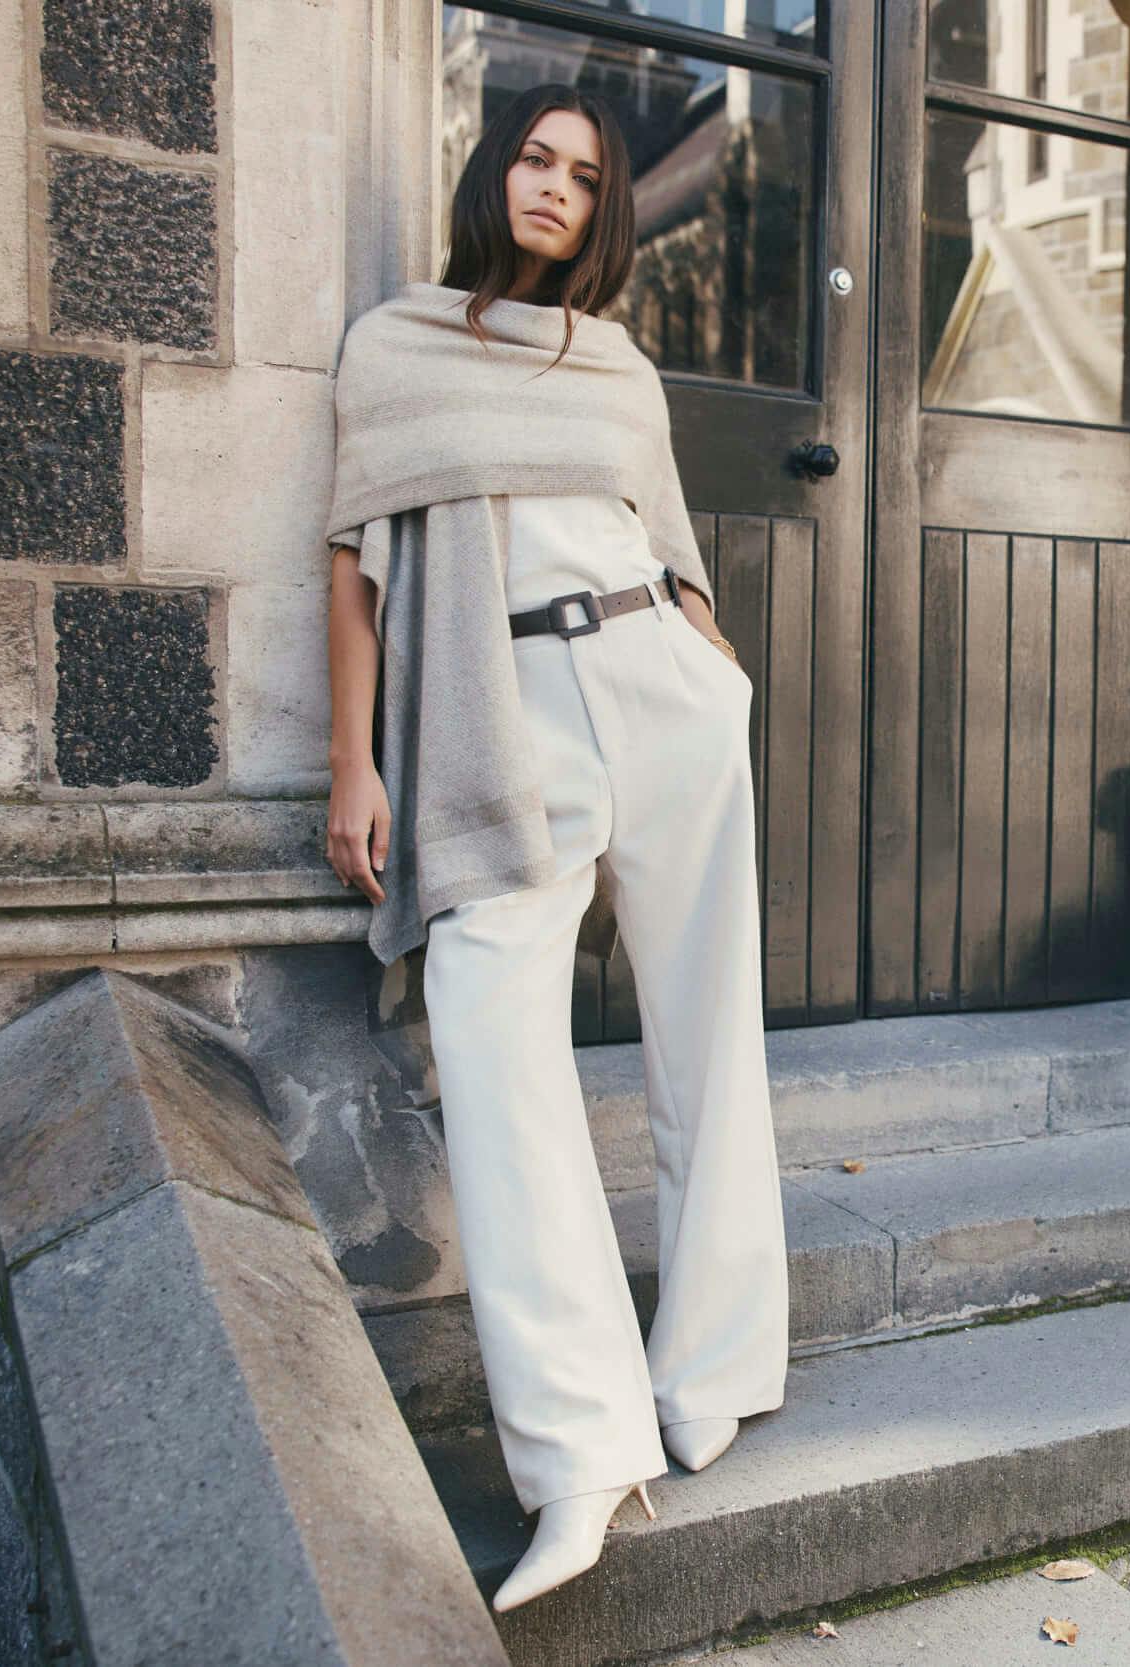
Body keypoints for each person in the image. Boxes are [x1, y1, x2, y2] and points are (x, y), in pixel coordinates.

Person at [319, 83, 790, 1614]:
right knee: (491, 1032)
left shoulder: (617, 365)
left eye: (587, 176)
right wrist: (353, 765)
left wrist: (711, 667)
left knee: (709, 1032)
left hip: (660, 687)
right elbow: (357, 568)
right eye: (537, 158)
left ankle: (717, 1361)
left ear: (605, 214)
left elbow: (667, 537)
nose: (556, 187)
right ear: (494, 170)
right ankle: (582, 1452)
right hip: (497, 715)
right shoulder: (401, 344)